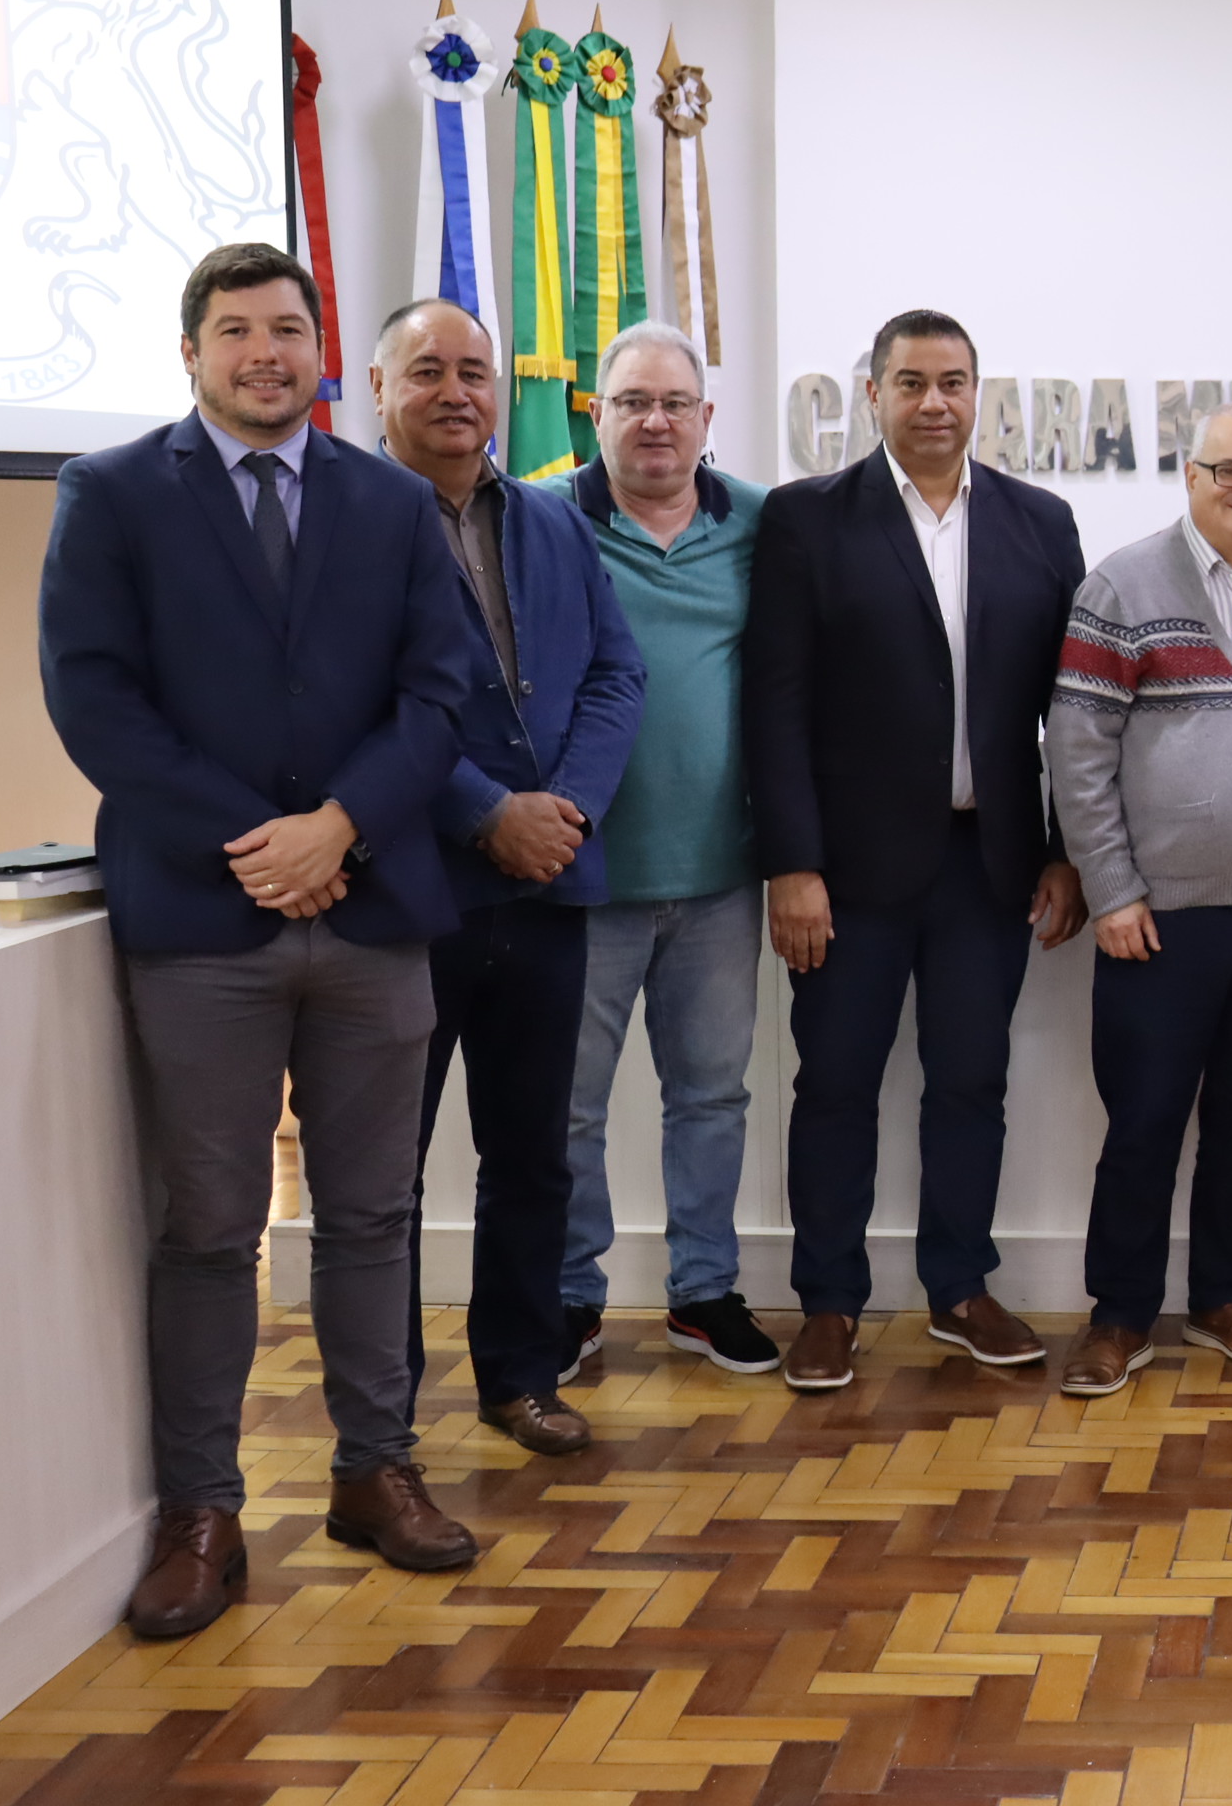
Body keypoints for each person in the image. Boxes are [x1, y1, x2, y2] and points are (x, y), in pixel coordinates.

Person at [42, 244, 483, 1637]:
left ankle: (374, 1470)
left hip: (375, 911)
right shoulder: (112, 492)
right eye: (236, 331)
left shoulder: (390, 501)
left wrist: (338, 827)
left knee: (372, 1215)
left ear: (320, 352)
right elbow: (95, 703)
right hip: (199, 919)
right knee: (210, 1229)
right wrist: (264, 842)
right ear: (192, 353)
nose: (265, 354)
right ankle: (201, 1510)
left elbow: (440, 694)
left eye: (288, 329)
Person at [746, 309, 1089, 1393]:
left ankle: (960, 1289)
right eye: (910, 382)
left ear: (978, 393)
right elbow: (775, 703)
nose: (933, 402)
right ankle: (828, 1304)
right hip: (845, 874)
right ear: (874, 394)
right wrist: (791, 863)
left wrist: (1066, 850)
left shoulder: (1041, 523)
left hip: (988, 865)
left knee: (972, 1083)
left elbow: (1074, 710)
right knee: (835, 1086)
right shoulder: (808, 518)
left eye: (952, 382)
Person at [375, 298, 644, 1456]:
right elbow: (354, 706)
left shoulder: (551, 520)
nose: (456, 392)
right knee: (382, 1168)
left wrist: (565, 808)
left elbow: (617, 676)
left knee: (533, 1151)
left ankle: (521, 1375)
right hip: (407, 894)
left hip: (546, 891)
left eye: (474, 371)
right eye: (427, 370)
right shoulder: (345, 522)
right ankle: (382, 1408)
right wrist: (488, 814)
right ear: (379, 389)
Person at [1047, 404, 1232, 1397]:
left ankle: (1223, 1297)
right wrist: (1111, 889)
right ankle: (1119, 1314)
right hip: (1161, 918)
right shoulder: (1122, 586)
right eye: (1231, 470)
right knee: (1144, 1124)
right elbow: (1078, 751)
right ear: (1191, 474)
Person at [556, 321, 780, 1379]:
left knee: (712, 1097)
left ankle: (704, 1291)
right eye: (632, 402)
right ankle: (570, 1296)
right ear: (595, 414)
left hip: (721, 876)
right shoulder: (543, 520)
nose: (655, 421)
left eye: (675, 403)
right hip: (584, 876)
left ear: (705, 417)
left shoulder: (760, 525)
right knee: (570, 1108)